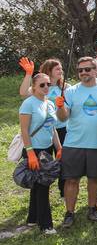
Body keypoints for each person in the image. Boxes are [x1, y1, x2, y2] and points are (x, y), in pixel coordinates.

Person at [55, 55, 97, 225]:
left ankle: (92, 209)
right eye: (80, 70)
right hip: (73, 143)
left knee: (94, 178)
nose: (83, 72)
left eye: (87, 69)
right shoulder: (70, 91)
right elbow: (62, 118)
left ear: (96, 70)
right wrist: (60, 107)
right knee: (71, 179)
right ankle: (69, 213)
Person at [19, 73, 62, 234]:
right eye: (42, 85)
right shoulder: (28, 104)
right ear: (34, 86)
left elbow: (52, 128)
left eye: (48, 85)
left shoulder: (49, 104)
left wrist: (59, 148)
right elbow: (24, 130)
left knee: (38, 185)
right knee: (43, 185)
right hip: (34, 149)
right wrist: (30, 152)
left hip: (47, 149)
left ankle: (33, 218)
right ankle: (46, 225)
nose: (46, 88)